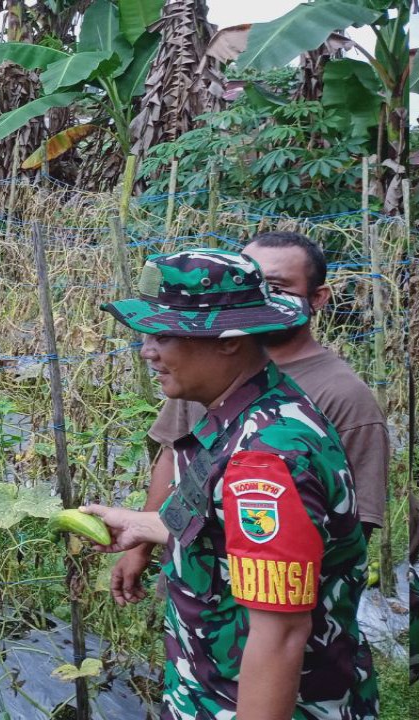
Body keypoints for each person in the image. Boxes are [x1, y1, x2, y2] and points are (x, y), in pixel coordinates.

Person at [83, 248, 377, 719]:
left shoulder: (265, 460)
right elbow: (231, 531)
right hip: (209, 688)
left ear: (229, 340)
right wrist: (143, 525)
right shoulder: (246, 411)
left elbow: (279, 636)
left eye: (165, 334)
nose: (147, 351)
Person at [111, 232, 390, 606]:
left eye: (275, 286)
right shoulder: (205, 376)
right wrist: (142, 540)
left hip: (260, 611)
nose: (148, 352)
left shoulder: (329, 403)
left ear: (317, 298)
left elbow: (349, 529)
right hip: (201, 602)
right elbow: (173, 457)